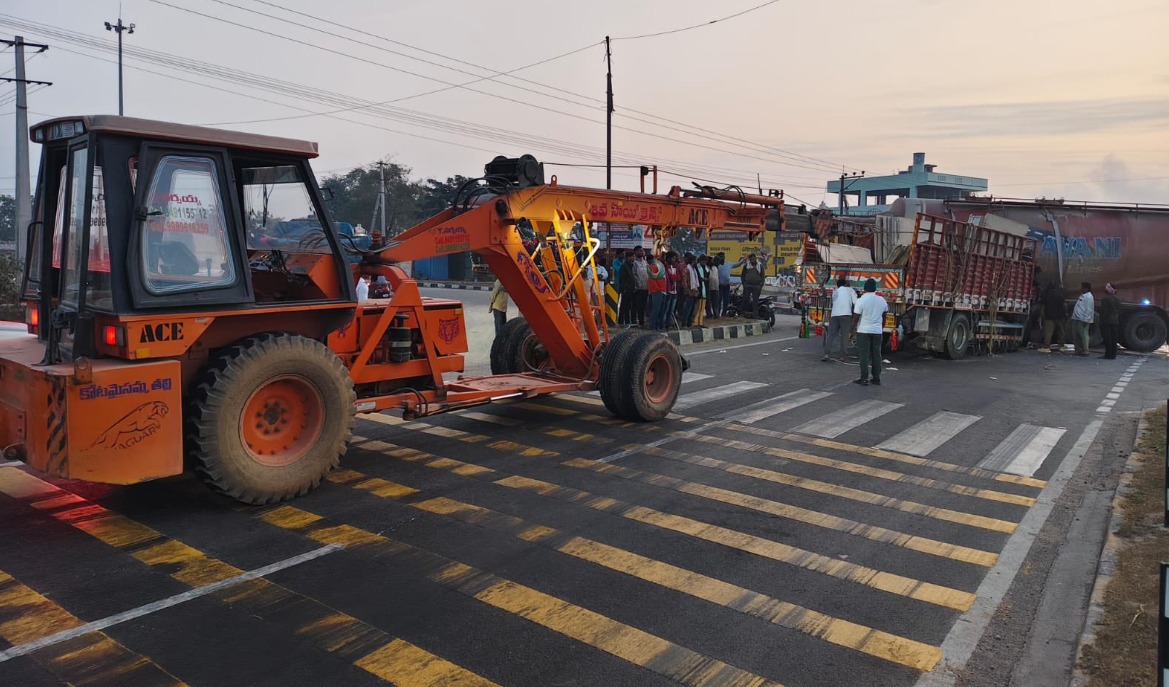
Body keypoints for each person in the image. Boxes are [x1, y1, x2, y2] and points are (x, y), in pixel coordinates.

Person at [851, 278, 887, 386]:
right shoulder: (882, 300)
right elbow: (884, 316)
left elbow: (856, 318)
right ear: (875, 288)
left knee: (864, 355)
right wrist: (881, 327)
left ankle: (864, 378)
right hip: (877, 331)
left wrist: (851, 331)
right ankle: (876, 378)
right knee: (877, 354)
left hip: (864, 331)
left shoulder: (861, 300)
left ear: (864, 288)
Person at [822, 276, 856, 362]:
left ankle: (826, 354)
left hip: (834, 315)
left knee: (830, 335)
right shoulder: (850, 290)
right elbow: (855, 302)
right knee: (844, 337)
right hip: (846, 315)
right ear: (845, 284)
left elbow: (834, 302)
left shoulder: (835, 291)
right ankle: (843, 356)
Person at [734, 253, 766, 317]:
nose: (752, 261)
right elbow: (742, 275)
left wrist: (760, 285)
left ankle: (755, 314)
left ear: (755, 259)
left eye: (753, 259)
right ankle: (745, 313)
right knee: (746, 299)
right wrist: (744, 283)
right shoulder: (746, 266)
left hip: (757, 286)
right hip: (748, 285)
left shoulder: (760, 266)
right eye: (751, 259)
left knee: (755, 300)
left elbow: (762, 276)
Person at [1040, 282, 1067, 353]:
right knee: (1062, 331)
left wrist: (1042, 316)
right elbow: (1064, 304)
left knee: (1048, 332)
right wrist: (1065, 313)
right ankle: (1061, 346)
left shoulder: (1046, 295)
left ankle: (1047, 347)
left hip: (1049, 316)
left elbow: (1042, 307)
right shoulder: (1060, 295)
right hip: (1060, 316)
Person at [1070, 281, 1094, 357]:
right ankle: (1078, 349)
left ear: (1086, 288)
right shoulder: (1083, 295)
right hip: (1077, 318)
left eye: (1082, 288)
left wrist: (1086, 320)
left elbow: (1089, 309)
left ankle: (1085, 350)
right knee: (1076, 334)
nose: (1081, 289)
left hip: (1083, 319)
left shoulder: (1089, 297)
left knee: (1083, 335)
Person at [1099, 283, 1121, 359]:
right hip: (1115, 320)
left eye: (1107, 287)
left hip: (1107, 321)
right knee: (1114, 338)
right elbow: (1119, 310)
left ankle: (1108, 354)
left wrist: (1101, 320)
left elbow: (1104, 311)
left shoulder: (1105, 299)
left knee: (1107, 338)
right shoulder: (1117, 299)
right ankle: (1113, 354)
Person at [647, 251, 668, 330]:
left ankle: (659, 326)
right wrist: (658, 289)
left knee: (661, 310)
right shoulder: (654, 266)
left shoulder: (661, 267)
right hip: (657, 291)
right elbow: (651, 280)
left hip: (662, 291)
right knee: (656, 310)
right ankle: (653, 326)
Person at [617, 250, 637, 325]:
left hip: (631, 289)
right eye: (632, 256)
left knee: (628, 305)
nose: (633, 258)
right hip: (626, 289)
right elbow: (622, 278)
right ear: (628, 257)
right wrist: (624, 288)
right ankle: (623, 320)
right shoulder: (624, 266)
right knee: (624, 306)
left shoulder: (631, 266)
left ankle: (627, 320)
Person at [631, 246, 649, 327]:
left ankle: (642, 322)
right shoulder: (634, 263)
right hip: (638, 288)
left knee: (643, 306)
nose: (642, 252)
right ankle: (634, 321)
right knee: (635, 305)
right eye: (640, 251)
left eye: (643, 251)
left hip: (646, 287)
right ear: (635, 252)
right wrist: (638, 284)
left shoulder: (645, 263)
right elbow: (634, 275)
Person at [664, 251, 681, 329]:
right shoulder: (665, 267)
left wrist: (674, 278)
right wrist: (674, 278)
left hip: (674, 291)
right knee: (666, 309)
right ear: (668, 258)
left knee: (671, 310)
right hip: (668, 291)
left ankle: (668, 324)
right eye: (673, 258)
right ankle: (663, 324)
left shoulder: (674, 267)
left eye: (675, 258)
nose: (674, 260)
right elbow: (672, 278)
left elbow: (678, 277)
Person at [694, 255, 709, 327]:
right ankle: (695, 323)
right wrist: (702, 279)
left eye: (705, 261)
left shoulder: (706, 268)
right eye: (703, 260)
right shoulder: (697, 267)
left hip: (705, 289)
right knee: (698, 308)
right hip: (699, 288)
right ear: (700, 260)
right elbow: (697, 277)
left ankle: (700, 323)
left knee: (702, 308)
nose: (704, 262)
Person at [716, 252, 732, 317]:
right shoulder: (716, 265)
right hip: (719, 285)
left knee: (726, 300)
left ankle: (724, 314)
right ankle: (718, 313)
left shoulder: (728, 264)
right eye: (720, 257)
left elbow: (737, 264)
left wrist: (743, 260)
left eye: (723, 256)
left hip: (727, 285)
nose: (722, 258)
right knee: (718, 300)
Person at [705, 254, 721, 320]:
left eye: (712, 260)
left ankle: (716, 314)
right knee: (708, 303)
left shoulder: (715, 267)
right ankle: (709, 314)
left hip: (716, 288)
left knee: (716, 302)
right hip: (708, 288)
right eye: (710, 260)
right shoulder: (705, 268)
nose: (711, 261)